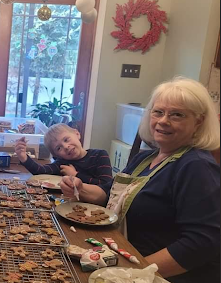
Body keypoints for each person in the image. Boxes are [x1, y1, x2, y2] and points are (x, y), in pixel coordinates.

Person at [60, 76, 220, 283]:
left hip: (158, 275)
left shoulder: (196, 166)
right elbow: (110, 194)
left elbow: (201, 243)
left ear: (198, 121)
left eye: (177, 114)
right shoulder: (146, 157)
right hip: (122, 255)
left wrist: (132, 271)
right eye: (158, 112)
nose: (163, 120)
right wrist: (80, 188)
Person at [15, 123, 113, 191]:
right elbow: (40, 171)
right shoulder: (63, 162)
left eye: (66, 140)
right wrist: (24, 157)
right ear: (57, 155)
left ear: (77, 134)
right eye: (58, 148)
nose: (66, 147)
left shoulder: (100, 155)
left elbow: (106, 185)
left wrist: (75, 175)